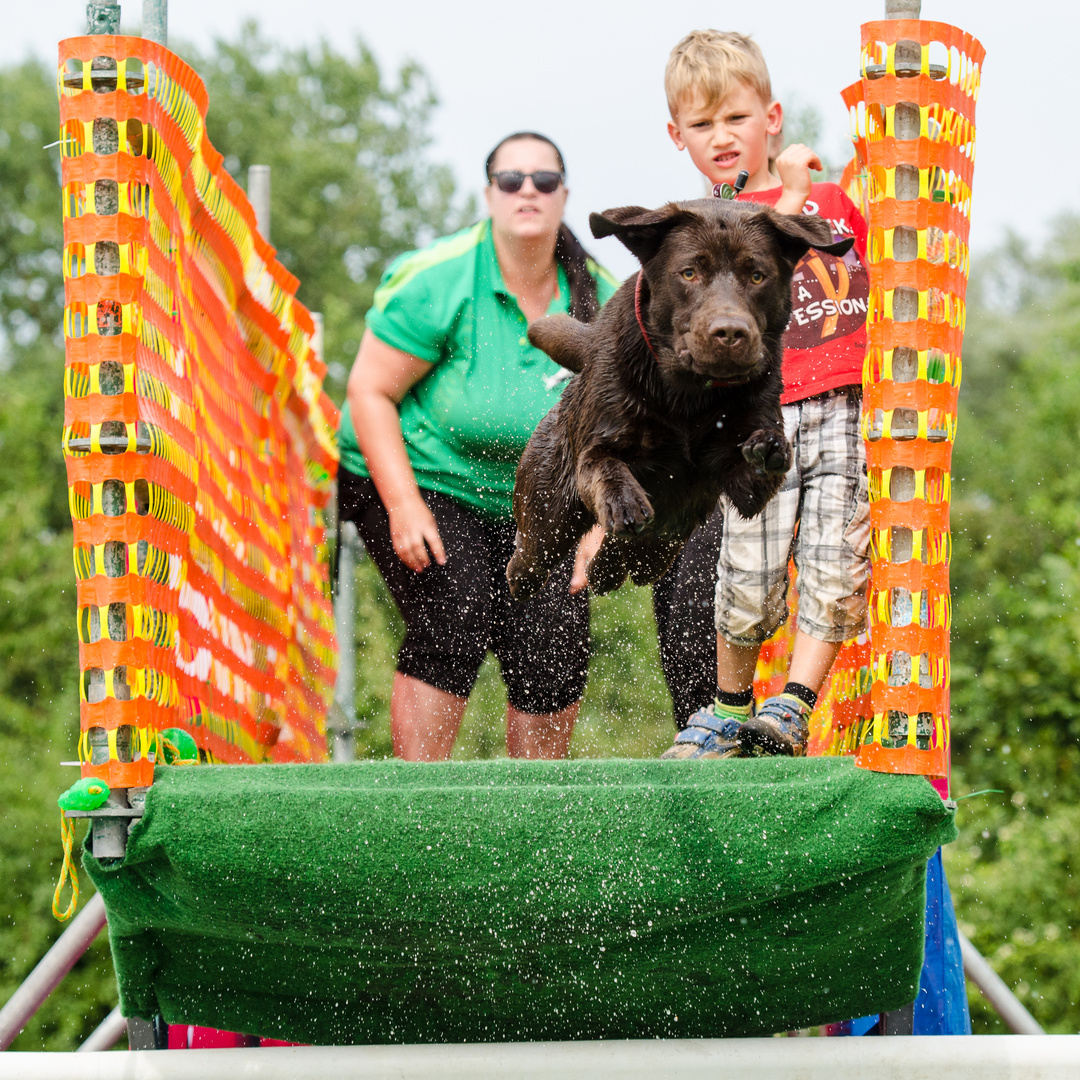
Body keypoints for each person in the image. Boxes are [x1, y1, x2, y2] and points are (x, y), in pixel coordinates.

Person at [338, 132, 619, 762]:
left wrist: (599, 526)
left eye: (544, 181)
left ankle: (531, 825)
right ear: (489, 193)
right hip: (421, 473)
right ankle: (421, 807)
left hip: (539, 497)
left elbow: (627, 426)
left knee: (556, 636)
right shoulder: (440, 280)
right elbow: (369, 392)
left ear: (564, 195)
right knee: (457, 608)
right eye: (511, 179)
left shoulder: (605, 299)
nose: (528, 191)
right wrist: (405, 506)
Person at [658, 30, 871, 759]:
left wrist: (804, 182)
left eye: (737, 118)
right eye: (703, 124)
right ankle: (728, 707)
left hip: (841, 400)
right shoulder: (697, 225)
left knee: (835, 559)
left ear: (771, 117)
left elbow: (811, 229)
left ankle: (794, 704)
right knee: (747, 566)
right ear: (677, 135)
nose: (722, 137)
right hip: (755, 415)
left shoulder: (829, 196)